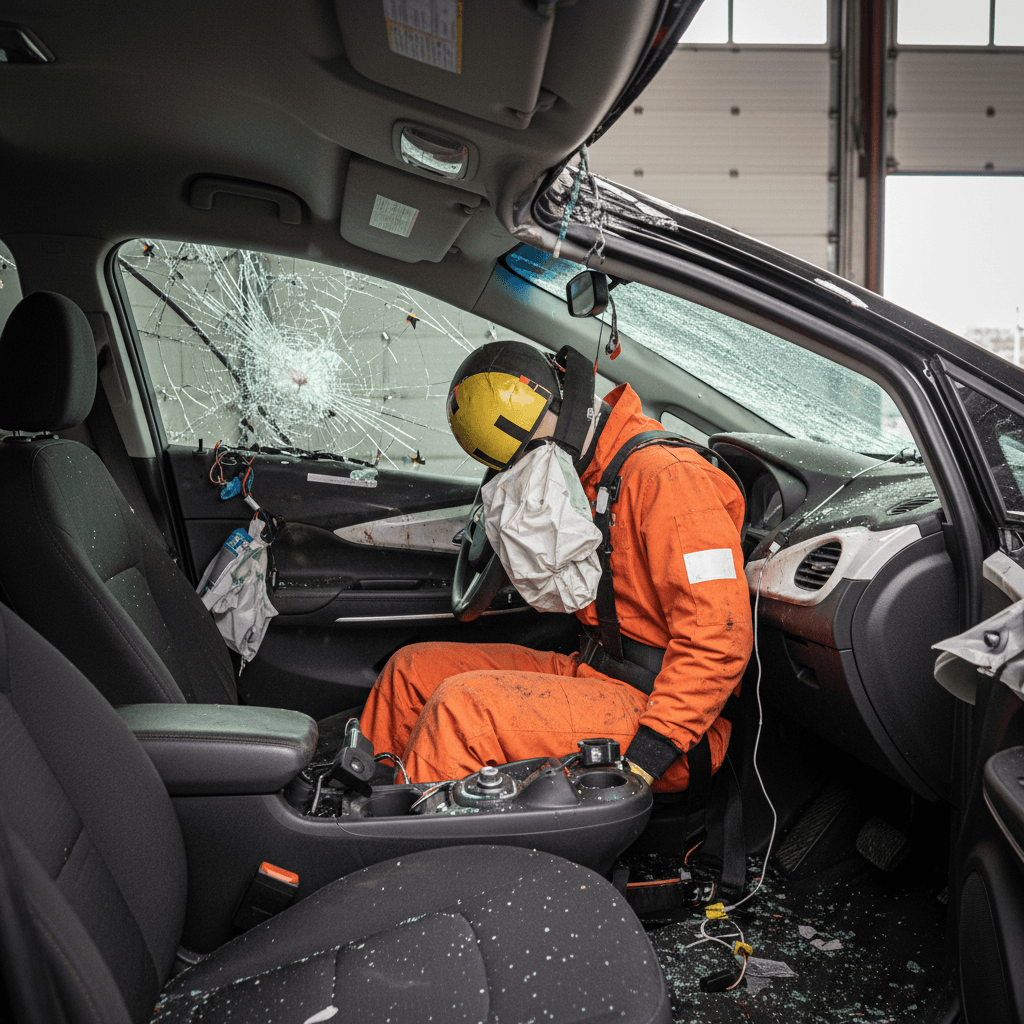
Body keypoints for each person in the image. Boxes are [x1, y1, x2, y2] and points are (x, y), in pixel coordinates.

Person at [360, 340, 752, 792]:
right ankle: (368, 805)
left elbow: (721, 636)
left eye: (530, 448)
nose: (526, 465)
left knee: (462, 710)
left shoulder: (670, 477)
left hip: (663, 716)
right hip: (596, 671)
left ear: (564, 402)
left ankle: (411, 854)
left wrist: (651, 752)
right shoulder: (582, 476)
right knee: (411, 672)